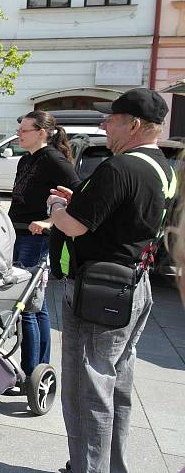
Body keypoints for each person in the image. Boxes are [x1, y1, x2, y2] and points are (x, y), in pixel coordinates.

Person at [47, 89, 175, 472]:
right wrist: (82, 198)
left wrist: (56, 208)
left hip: (99, 293)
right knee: (115, 384)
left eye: (112, 119)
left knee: (89, 390)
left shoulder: (120, 168)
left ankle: (87, 468)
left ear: (134, 125)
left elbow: (73, 225)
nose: (104, 125)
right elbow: (122, 214)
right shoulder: (160, 166)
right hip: (134, 285)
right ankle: (111, 465)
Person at [8, 111, 79, 379]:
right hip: (18, 235)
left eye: (24, 130)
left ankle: (29, 374)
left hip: (35, 240)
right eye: (20, 129)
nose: (19, 134)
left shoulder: (53, 159)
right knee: (37, 305)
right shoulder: (26, 159)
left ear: (42, 132)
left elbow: (77, 196)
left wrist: (50, 221)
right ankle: (40, 366)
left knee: (25, 305)